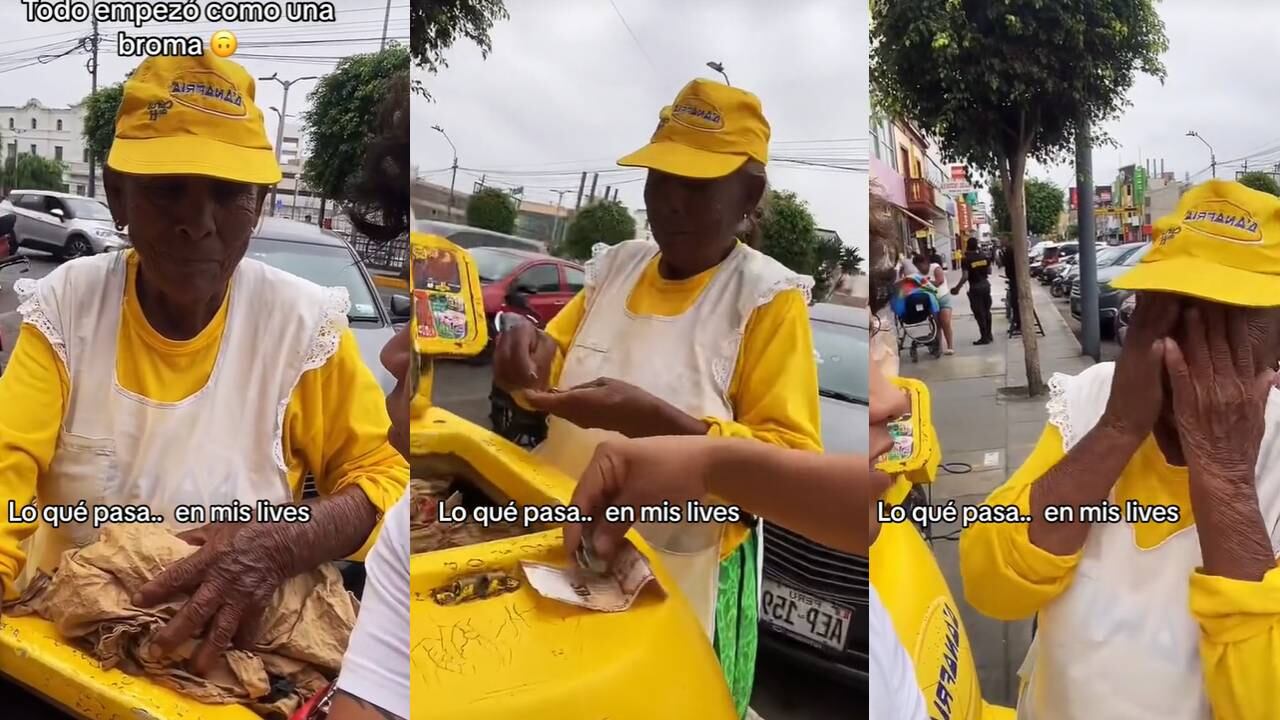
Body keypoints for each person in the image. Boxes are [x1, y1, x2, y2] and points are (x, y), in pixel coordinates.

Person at [0, 53, 408, 680]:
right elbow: (7, 467)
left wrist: (279, 541)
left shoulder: (301, 328)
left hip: (215, 670)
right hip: (63, 657)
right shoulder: (69, 307)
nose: (198, 223)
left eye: (228, 194)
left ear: (262, 200)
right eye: (168, 191)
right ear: (117, 196)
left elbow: (381, 479)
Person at [492, 77, 821, 715]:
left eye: (695, 186)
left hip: (677, 574)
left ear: (748, 196)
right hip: (555, 543)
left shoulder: (765, 300)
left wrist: (661, 425)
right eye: (658, 179)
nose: (668, 202)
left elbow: (791, 469)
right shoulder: (614, 268)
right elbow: (544, 375)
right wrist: (522, 356)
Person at [959, 180, 1280, 719]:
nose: (1189, 339)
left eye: (1227, 316)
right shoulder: (1093, 400)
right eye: (1170, 304)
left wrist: (1225, 477)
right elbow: (992, 586)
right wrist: (1118, 427)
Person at [950, 237, 994, 344]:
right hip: (986, 285)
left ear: (967, 246)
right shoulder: (984, 256)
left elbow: (965, 276)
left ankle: (984, 337)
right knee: (987, 311)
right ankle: (989, 334)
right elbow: (989, 271)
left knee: (979, 313)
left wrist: (957, 288)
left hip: (975, 287)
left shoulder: (966, 259)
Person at [912, 252, 954, 355]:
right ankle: (938, 347)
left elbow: (939, 281)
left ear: (926, 262)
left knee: (945, 322)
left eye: (921, 265)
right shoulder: (918, 274)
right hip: (931, 301)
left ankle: (950, 346)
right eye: (917, 267)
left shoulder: (935, 267)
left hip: (943, 298)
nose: (920, 269)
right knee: (936, 325)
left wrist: (925, 282)